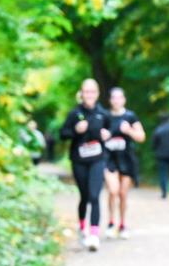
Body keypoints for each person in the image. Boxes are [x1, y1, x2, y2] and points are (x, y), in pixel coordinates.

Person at [59, 78, 111, 252]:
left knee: (95, 196)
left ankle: (94, 235)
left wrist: (107, 134)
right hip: (79, 161)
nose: (89, 95)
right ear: (81, 94)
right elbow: (63, 134)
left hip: (97, 159)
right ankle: (83, 228)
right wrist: (75, 130)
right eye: (86, 91)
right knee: (85, 196)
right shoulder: (74, 114)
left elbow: (111, 131)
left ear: (97, 94)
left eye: (92, 92)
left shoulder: (103, 114)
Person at [104, 87, 146, 239]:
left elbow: (141, 137)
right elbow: (95, 134)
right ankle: (110, 222)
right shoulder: (105, 116)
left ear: (124, 99)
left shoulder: (130, 116)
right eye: (114, 98)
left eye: (119, 97)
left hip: (126, 159)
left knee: (122, 194)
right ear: (110, 100)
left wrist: (129, 131)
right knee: (113, 190)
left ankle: (122, 224)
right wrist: (102, 134)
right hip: (109, 159)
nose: (116, 100)